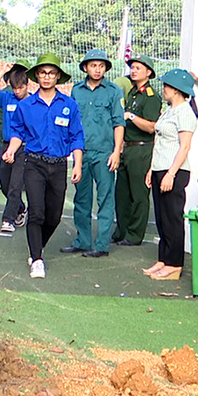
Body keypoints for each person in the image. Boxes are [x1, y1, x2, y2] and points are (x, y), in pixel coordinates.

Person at [3, 54, 84, 279]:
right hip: (34, 164)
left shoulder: (69, 105)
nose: (46, 77)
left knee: (54, 216)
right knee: (36, 213)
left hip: (58, 166)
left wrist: (77, 163)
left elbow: (77, 136)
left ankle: (37, 246)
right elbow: (18, 132)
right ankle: (37, 259)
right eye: (42, 73)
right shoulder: (26, 105)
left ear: (58, 76)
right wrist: (11, 149)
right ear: (36, 76)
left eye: (51, 73)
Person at [62, 50, 125, 258]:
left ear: (106, 68)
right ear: (85, 68)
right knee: (81, 198)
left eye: (101, 66)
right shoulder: (76, 91)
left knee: (106, 200)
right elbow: (71, 122)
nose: (97, 70)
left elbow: (119, 123)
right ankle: (82, 241)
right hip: (82, 153)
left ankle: (101, 245)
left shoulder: (113, 91)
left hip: (105, 153)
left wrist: (116, 152)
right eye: (93, 65)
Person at [143, 69, 196, 281]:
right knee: (162, 217)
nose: (163, 89)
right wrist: (151, 170)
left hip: (174, 170)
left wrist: (171, 174)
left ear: (177, 89)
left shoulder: (185, 112)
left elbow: (184, 147)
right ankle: (163, 259)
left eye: (167, 85)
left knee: (173, 217)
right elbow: (160, 142)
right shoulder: (169, 110)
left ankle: (174, 264)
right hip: (160, 168)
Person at [113, 55, 163, 247]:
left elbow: (151, 127)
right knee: (122, 193)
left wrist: (131, 116)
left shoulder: (151, 96)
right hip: (128, 148)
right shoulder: (133, 93)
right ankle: (122, 231)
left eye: (138, 68)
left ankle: (134, 235)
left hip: (142, 149)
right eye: (132, 68)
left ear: (148, 72)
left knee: (139, 194)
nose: (134, 71)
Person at [0, 60, 32, 233]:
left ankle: (8, 220)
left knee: (15, 184)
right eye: (15, 88)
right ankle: (20, 208)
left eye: (20, 88)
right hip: (6, 145)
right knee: (4, 182)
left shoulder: (33, 102)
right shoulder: (7, 98)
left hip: (24, 148)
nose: (18, 92)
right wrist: (2, 71)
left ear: (27, 85)